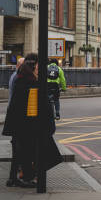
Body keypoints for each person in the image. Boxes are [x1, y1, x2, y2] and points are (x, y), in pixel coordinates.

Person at [3, 54, 61, 188]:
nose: (41, 69)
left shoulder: (24, 78)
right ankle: (27, 177)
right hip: (28, 127)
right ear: (33, 66)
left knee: (22, 153)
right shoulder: (28, 82)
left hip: (25, 126)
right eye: (39, 66)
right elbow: (33, 107)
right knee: (30, 153)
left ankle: (17, 178)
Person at [6, 57, 24, 187]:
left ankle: (14, 176)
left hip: (14, 115)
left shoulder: (15, 76)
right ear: (19, 65)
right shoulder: (17, 78)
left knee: (17, 147)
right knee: (17, 147)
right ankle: (15, 176)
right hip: (16, 117)